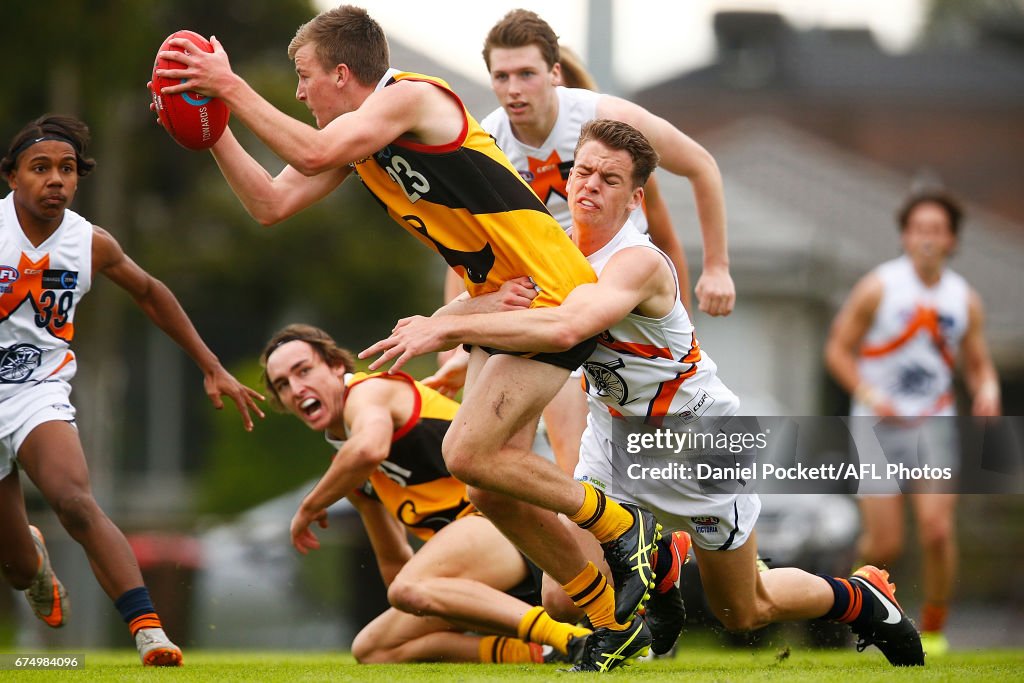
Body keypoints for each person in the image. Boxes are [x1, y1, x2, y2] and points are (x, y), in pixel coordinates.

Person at [155, 5, 663, 668]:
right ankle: (612, 623)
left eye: (305, 77)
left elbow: (310, 150)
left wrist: (226, 85)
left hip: (554, 294)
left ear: (344, 73)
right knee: (484, 485)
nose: (301, 92)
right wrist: (212, 128)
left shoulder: (410, 98)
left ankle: (622, 530)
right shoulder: (361, 142)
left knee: (466, 453)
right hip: (503, 308)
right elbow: (270, 204)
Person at [363, 119, 926, 668]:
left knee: (746, 608)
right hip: (613, 438)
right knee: (563, 597)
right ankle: (653, 566)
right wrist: (460, 348)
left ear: (635, 199)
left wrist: (450, 328)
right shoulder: (552, 248)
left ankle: (861, 598)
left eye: (609, 180)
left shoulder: (637, 263)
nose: (589, 185)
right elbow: (505, 306)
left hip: (695, 443)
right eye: (582, 171)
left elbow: (563, 329)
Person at [0, 114, 264, 666]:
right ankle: (34, 560)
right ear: (12, 178)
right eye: (40, 168)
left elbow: (151, 293)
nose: (56, 180)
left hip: (37, 391)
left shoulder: (89, 243)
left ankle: (150, 633)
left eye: (67, 170)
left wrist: (210, 364)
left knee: (74, 501)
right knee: (18, 567)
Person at [437, 10, 732, 473]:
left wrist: (716, 269)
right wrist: (461, 342)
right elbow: (469, 253)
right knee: (482, 467)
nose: (514, 89)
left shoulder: (608, 120)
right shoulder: (485, 140)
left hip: (610, 296)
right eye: (502, 76)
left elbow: (700, 166)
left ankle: (619, 535)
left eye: (527, 74)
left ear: (554, 74)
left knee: (579, 458)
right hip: (545, 297)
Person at [259, 323, 594, 664]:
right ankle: (542, 651)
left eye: (304, 371)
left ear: (335, 366)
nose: (297, 388)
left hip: (516, 530)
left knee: (410, 588)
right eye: (283, 385)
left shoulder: (368, 393)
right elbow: (395, 567)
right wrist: (438, 599)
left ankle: (569, 637)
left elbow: (368, 449)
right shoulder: (349, 469)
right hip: (485, 564)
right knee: (373, 649)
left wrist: (309, 507)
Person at [825, 189, 1001, 656]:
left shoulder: (964, 298)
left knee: (938, 530)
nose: (927, 239)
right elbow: (838, 350)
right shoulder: (879, 286)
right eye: (919, 229)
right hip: (877, 427)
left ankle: (937, 627)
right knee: (884, 545)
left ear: (952, 240)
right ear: (905, 235)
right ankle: (854, 608)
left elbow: (978, 363)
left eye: (936, 230)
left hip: (933, 425)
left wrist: (988, 390)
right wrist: (869, 394)